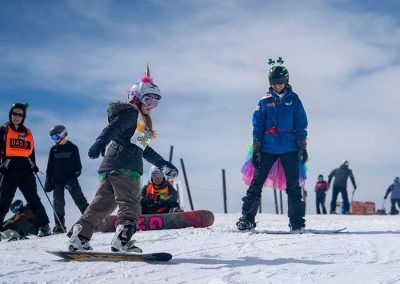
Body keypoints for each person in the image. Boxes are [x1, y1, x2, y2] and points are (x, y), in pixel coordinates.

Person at [67, 65, 178, 252]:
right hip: (126, 169)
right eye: (148, 99)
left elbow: (143, 148)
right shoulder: (131, 113)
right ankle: (122, 238)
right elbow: (113, 128)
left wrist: (162, 164)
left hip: (111, 167)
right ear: (136, 97)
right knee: (131, 204)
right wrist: (100, 141)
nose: (151, 105)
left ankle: (80, 236)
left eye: (156, 102)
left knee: (102, 204)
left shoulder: (139, 121)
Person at [236, 59, 308, 232]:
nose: (277, 86)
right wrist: (257, 147)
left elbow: (301, 123)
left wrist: (302, 144)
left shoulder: (294, 100)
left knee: (293, 186)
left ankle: (296, 221)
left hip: (290, 148)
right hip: (267, 147)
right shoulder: (264, 101)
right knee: (256, 183)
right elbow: (258, 124)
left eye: (280, 82)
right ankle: (247, 218)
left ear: (286, 81)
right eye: (274, 83)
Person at [0, 103, 51, 237]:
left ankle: (44, 226)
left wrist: (33, 165)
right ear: (10, 115)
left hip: (25, 169)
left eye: (20, 115)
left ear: (23, 117)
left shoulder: (27, 133)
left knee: (33, 198)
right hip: (9, 168)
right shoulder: (3, 130)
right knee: (4, 200)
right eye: (14, 114)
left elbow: (31, 152)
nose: (16, 117)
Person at [44, 125, 89, 234]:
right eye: (52, 138)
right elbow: (49, 167)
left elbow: (78, 166)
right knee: (58, 203)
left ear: (63, 134)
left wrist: (73, 177)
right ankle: (59, 226)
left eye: (55, 137)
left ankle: (91, 221)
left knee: (80, 200)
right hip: (57, 181)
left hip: (71, 180)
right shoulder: (53, 150)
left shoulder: (73, 148)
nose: (54, 140)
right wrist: (48, 180)